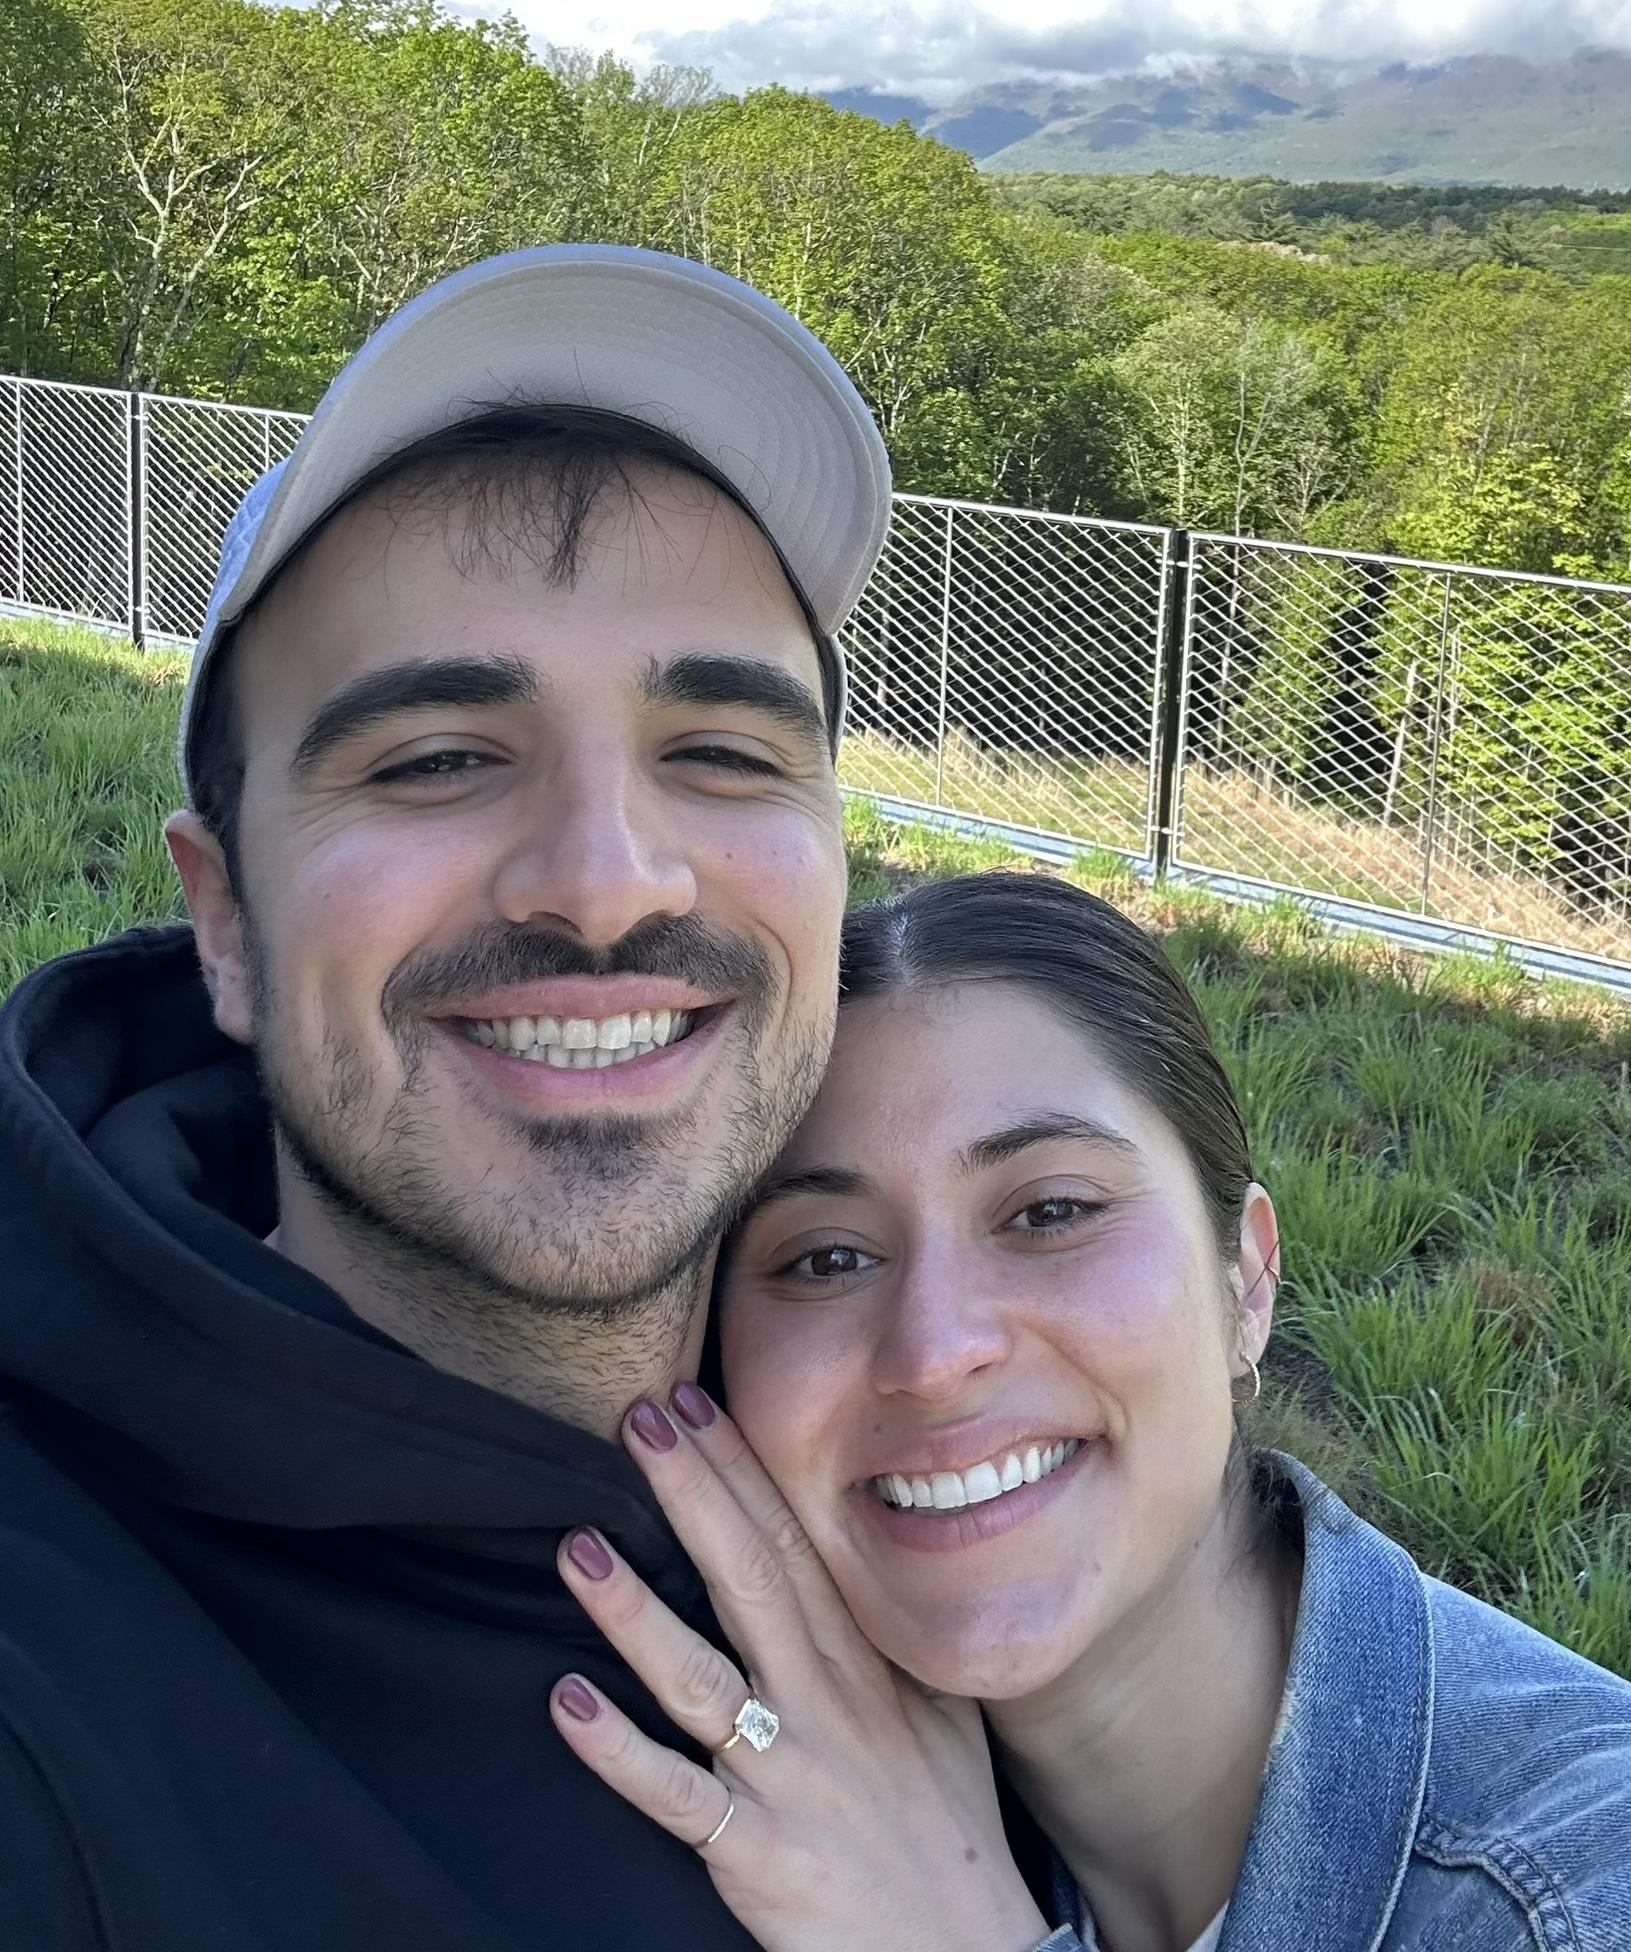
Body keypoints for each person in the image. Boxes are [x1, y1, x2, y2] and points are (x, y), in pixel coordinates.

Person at [0, 243, 1031, 1951]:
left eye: (722, 753)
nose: (609, 885)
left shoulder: (976, 1436)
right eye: (436, 760)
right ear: (227, 923)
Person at [541, 872, 1631, 1952]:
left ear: (1246, 1281)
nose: (936, 1351)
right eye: (826, 1259)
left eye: (1051, 1212)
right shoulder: (798, 1820)